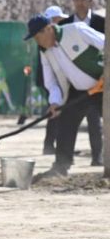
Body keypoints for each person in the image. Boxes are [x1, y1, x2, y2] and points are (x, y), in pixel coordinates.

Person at [24, 14, 104, 177]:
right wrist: (55, 102)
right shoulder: (45, 51)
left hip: (103, 86)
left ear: (48, 29)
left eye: (37, 37)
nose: (37, 42)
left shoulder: (76, 30)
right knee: (66, 121)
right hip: (78, 91)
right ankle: (61, 166)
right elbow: (51, 82)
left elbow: (106, 45)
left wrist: (106, 75)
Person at [58, 0, 105, 166]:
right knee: (67, 122)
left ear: (90, 1)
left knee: (96, 123)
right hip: (77, 85)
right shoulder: (64, 25)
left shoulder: (102, 24)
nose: (80, 3)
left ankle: (98, 159)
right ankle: (63, 163)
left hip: (101, 82)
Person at [38, 5, 69, 153]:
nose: (61, 22)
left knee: (59, 112)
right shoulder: (44, 40)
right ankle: (49, 145)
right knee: (55, 110)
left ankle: (54, 145)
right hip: (52, 82)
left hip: (63, 81)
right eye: (58, 19)